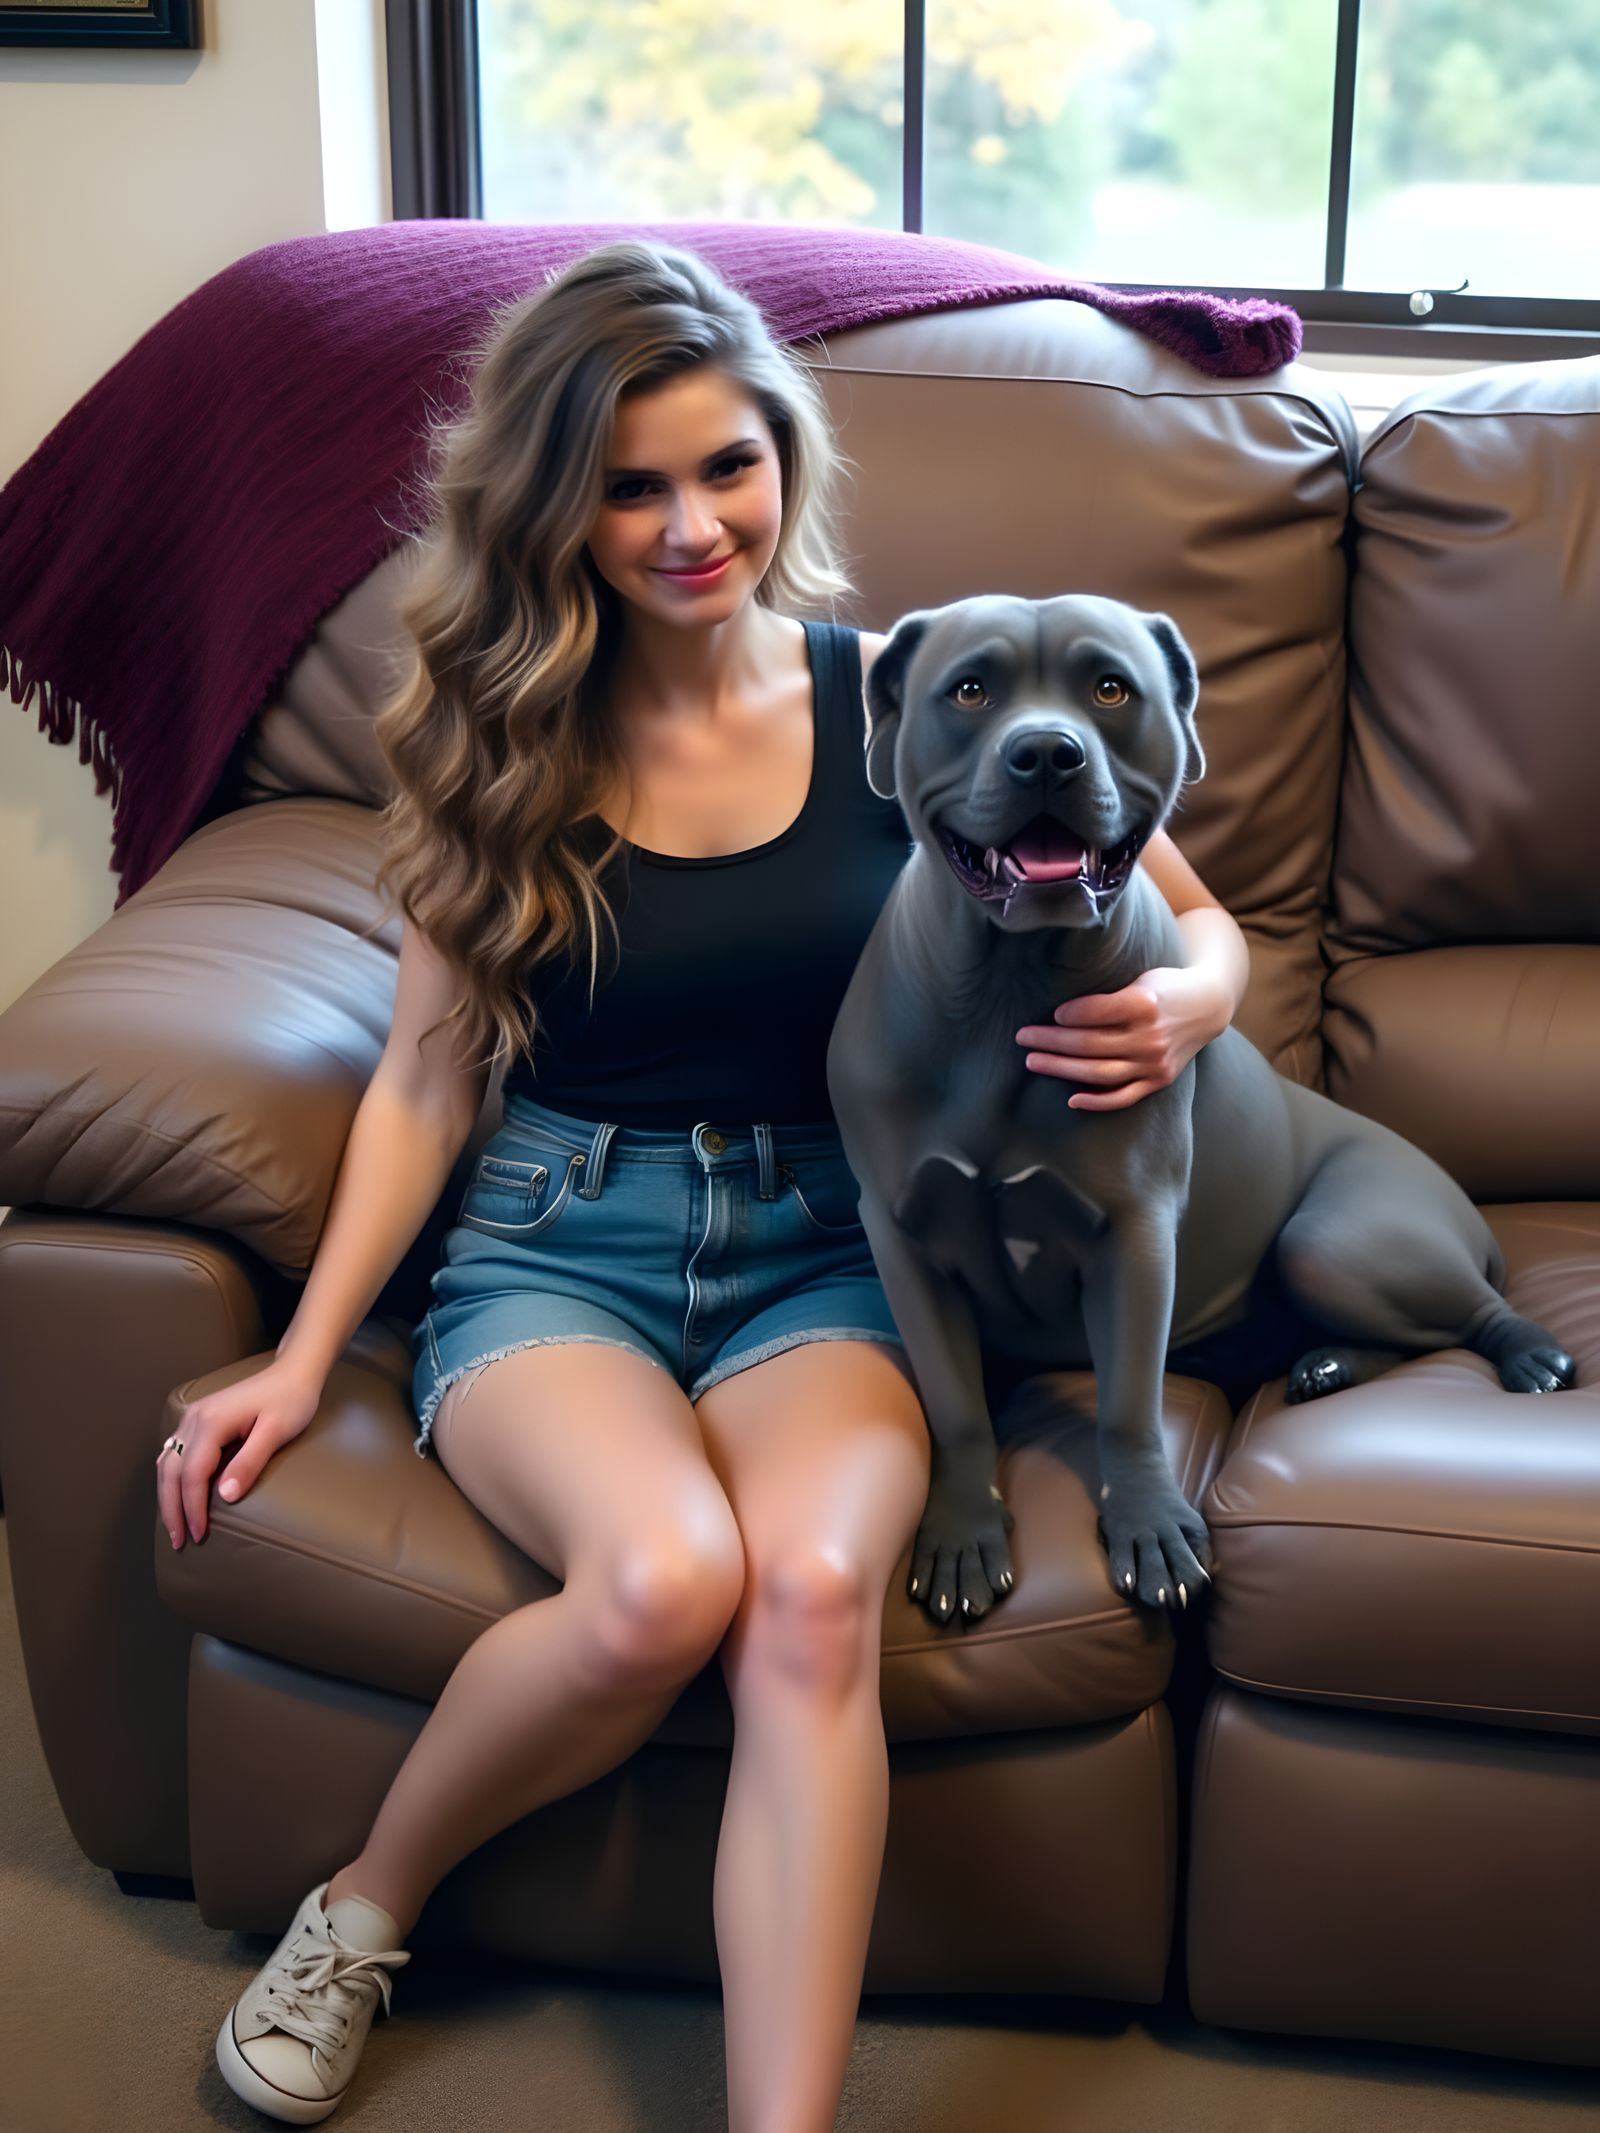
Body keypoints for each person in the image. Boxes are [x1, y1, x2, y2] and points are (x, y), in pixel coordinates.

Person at [157, 238, 1251, 2131]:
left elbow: (1204, 919)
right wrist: (298, 1343)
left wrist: (1195, 1009)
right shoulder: (495, 741)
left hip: (837, 1245)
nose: (690, 525)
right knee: (663, 1581)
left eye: (727, 467)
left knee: (813, 1591)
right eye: (632, 482)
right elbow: (424, 1075)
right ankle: (362, 1907)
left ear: (786, 461)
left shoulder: (906, 698)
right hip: (556, 1241)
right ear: (553, 502)